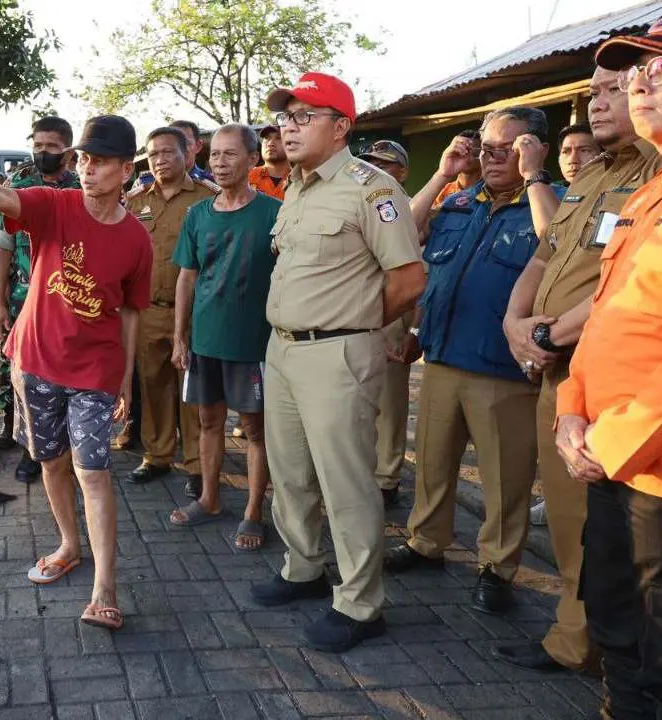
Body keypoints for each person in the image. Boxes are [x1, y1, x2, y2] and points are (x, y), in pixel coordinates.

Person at [0, 114, 153, 632]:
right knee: (51, 462)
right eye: (83, 159)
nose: (87, 169)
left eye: (101, 161)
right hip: (35, 362)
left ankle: (105, 586)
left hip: (95, 372)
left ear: (127, 170)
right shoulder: (54, 204)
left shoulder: (136, 240)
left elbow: (131, 311)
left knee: (94, 472)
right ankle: (68, 544)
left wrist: (126, 378)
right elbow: (4, 199)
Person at [555, 6, 662, 716]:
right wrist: (570, 414)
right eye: (635, 70)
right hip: (610, 461)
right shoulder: (656, 191)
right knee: (617, 637)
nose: (637, 83)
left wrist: (608, 442)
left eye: (660, 67)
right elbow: (607, 319)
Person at [490, 63, 662, 675]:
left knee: (615, 531)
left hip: (610, 378)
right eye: (592, 92)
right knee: (567, 516)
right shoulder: (594, 175)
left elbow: (634, 284)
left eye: (613, 89)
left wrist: (543, 333)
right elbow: (547, 252)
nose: (598, 102)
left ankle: (614, 649)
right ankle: (577, 640)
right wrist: (516, 320)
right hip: (556, 373)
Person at [252, 73, 425, 652]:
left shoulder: (371, 188)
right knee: (291, 471)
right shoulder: (298, 188)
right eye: (286, 116)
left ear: (342, 126)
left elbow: (407, 279)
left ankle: (360, 603)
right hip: (282, 349)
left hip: (337, 353)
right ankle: (303, 568)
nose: (288, 126)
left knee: (346, 483)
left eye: (305, 115)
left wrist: (355, 324)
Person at [386, 107, 558, 616]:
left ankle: (497, 568)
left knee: (505, 477)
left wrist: (534, 178)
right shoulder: (460, 201)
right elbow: (404, 234)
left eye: (510, 147)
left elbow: (558, 245)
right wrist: (441, 172)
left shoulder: (551, 202)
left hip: (503, 370)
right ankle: (425, 542)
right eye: (488, 147)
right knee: (432, 464)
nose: (494, 156)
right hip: (442, 354)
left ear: (536, 149)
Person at [169, 123, 279, 550]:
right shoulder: (197, 214)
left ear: (253, 160)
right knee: (208, 421)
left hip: (254, 342)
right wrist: (181, 338)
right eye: (214, 154)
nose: (219, 162)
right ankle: (210, 498)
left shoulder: (274, 213)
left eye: (231, 154)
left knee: (255, 429)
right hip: (206, 341)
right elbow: (187, 277)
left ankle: (254, 510)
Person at [0, 116, 81, 483]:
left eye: (52, 147)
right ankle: (30, 449)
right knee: (21, 374)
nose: (43, 153)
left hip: (71, 300)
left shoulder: (80, 189)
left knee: (67, 375)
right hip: (25, 299)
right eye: (38, 146)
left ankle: (70, 448)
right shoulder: (18, 188)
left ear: (68, 151)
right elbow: (0, 247)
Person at [122, 126, 212, 494]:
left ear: (187, 155)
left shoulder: (207, 198)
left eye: (167, 153)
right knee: (153, 382)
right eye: (153, 154)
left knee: (191, 389)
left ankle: (196, 463)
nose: (159, 160)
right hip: (148, 310)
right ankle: (157, 455)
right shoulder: (136, 200)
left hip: (194, 312)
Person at [358, 139, 417, 508]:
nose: (375, 168)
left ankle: (386, 477)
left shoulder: (407, 207)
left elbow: (417, 274)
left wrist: (412, 328)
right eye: (369, 162)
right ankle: (363, 470)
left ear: (402, 171)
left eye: (385, 163)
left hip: (393, 311)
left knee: (390, 403)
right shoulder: (359, 202)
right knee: (358, 401)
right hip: (356, 311)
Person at [429, 129, 482, 209]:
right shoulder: (443, 191)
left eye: (474, 152)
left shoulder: (491, 191)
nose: (468, 157)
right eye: (464, 151)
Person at [248, 124, 291, 199]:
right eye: (267, 138)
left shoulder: (299, 178)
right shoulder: (246, 178)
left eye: (278, 138)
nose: (270, 143)